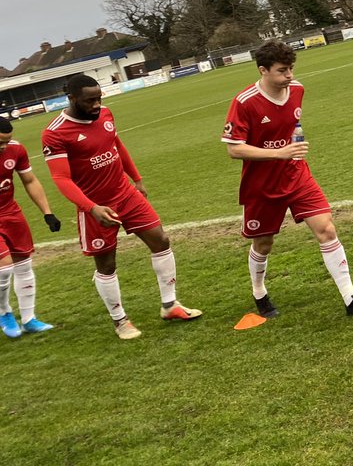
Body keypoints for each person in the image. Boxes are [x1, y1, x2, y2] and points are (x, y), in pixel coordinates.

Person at [222, 41, 353, 318]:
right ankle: (259, 293)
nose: (290, 76)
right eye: (282, 70)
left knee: (327, 230)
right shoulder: (244, 102)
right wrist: (279, 152)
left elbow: (292, 124)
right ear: (263, 70)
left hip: (297, 175)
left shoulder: (297, 90)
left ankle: (350, 299)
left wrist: (293, 145)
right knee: (263, 243)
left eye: (291, 68)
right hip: (262, 186)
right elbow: (234, 148)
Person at [42, 74, 202, 340]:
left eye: (98, 98)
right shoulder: (55, 132)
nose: (96, 105)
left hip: (126, 194)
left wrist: (136, 179)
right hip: (96, 205)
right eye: (89, 101)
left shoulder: (105, 114)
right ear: (71, 99)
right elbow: (61, 178)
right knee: (106, 264)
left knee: (161, 240)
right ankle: (120, 321)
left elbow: (116, 145)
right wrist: (91, 208)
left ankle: (170, 305)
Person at [0, 116, 60, 338]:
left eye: (7, 141)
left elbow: (30, 181)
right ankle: (4, 312)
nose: (4, 147)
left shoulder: (16, 150)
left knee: (24, 264)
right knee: (4, 267)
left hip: (11, 213)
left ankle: (28, 319)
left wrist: (48, 212)